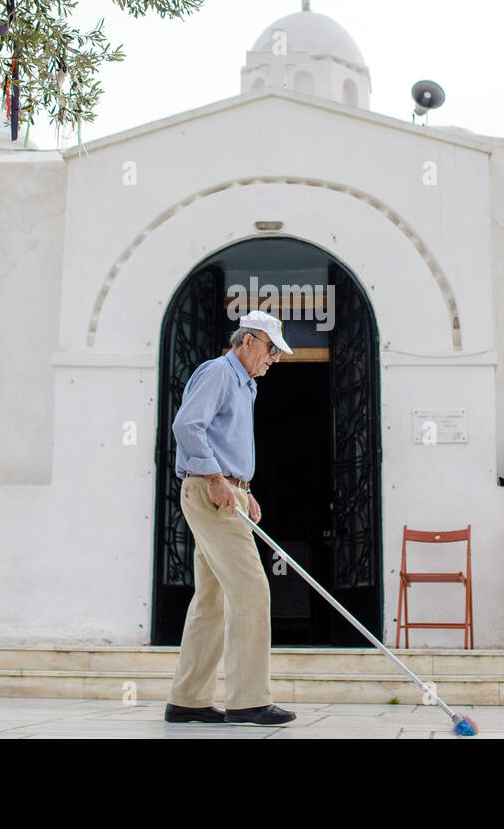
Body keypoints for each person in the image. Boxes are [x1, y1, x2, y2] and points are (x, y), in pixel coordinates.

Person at [165, 309, 298, 725]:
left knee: (213, 597)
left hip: (226, 492)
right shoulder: (219, 373)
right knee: (252, 589)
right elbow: (187, 425)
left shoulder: (246, 386)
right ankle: (248, 699)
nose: (273, 359)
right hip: (211, 493)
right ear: (248, 341)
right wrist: (219, 480)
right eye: (271, 349)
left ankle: (188, 700)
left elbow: (226, 441)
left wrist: (245, 490)